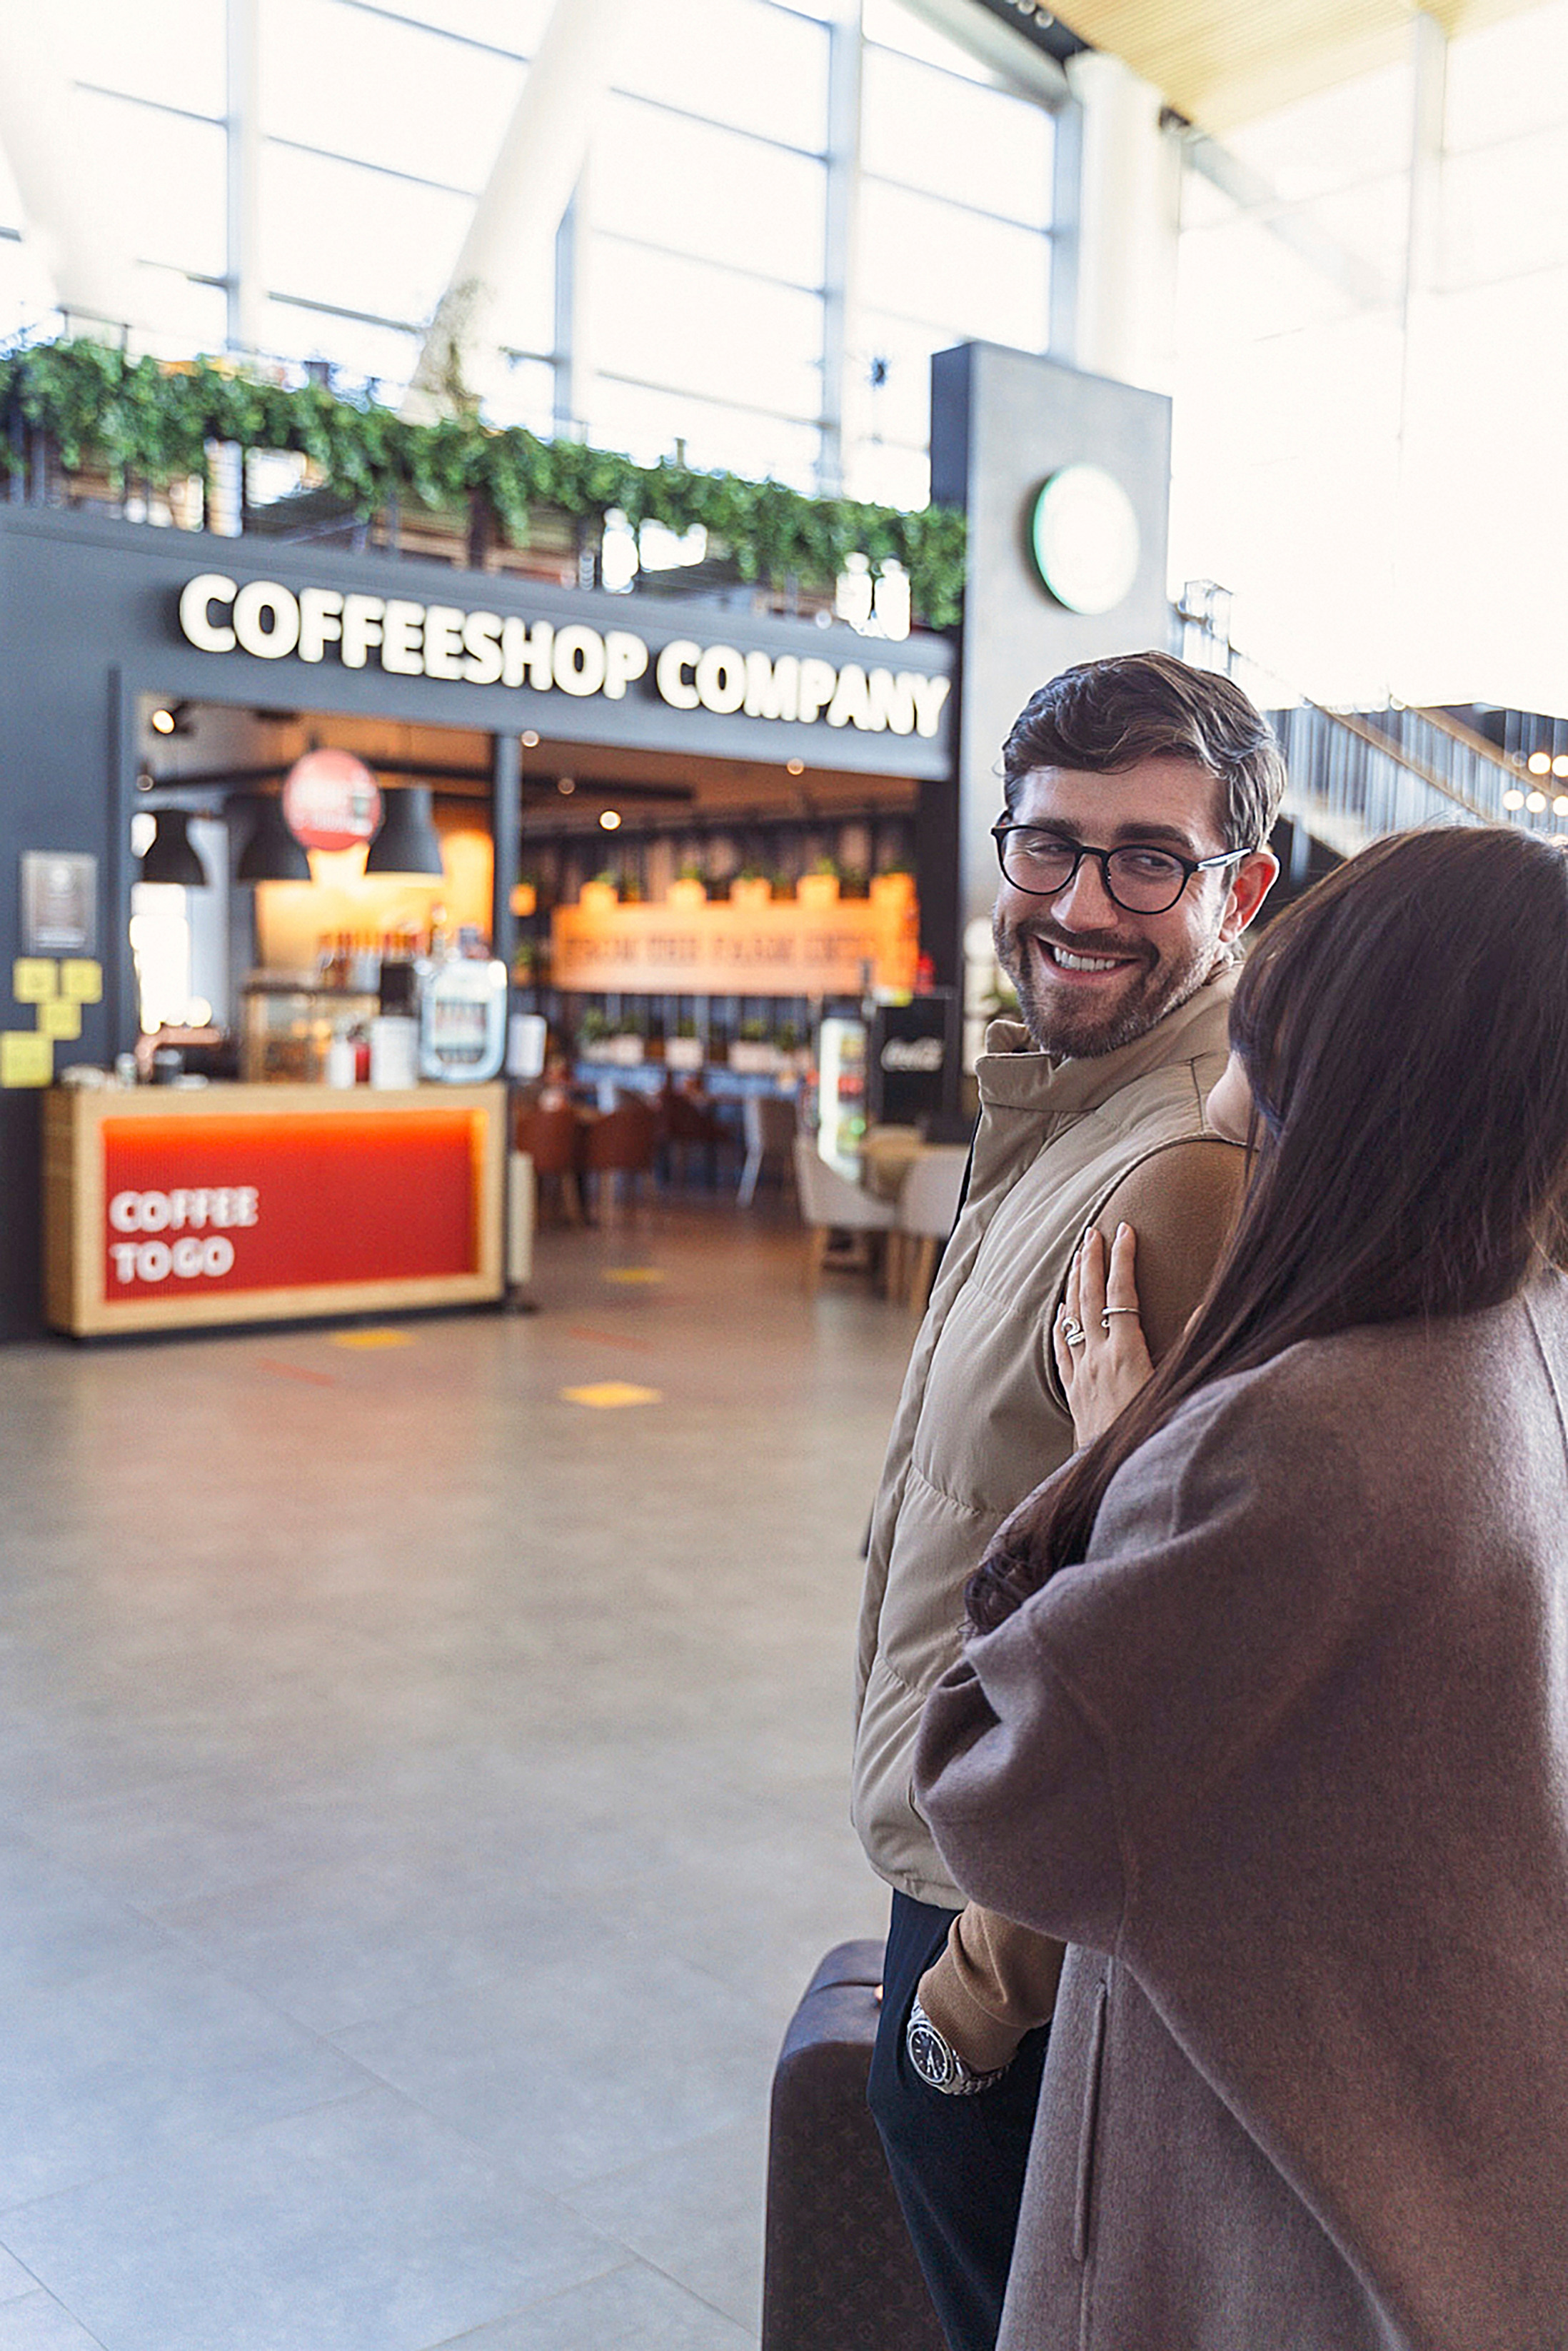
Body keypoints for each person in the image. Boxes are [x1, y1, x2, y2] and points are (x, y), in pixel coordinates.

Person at [913, 823, 1568, 2350]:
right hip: (1448, 2144)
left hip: (1290, 2195)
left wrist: (1115, 1458)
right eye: (1046, 845)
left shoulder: (1298, 1441)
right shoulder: (1518, 1326)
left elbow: (999, 1784)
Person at [853, 651, 1282, 2350]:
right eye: (1051, 845)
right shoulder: (1055, 1103)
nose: (1084, 903)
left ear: (1243, 887)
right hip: (963, 1831)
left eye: (1149, 860)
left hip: (1028, 1926)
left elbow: (1179, 1640)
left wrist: (972, 1996)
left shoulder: (1182, 1172)